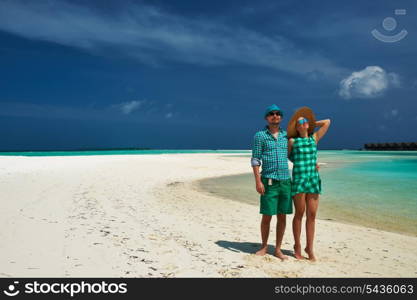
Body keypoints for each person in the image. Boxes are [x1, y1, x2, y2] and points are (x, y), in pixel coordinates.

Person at [287, 107, 331, 261]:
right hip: (299, 179)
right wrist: (302, 163)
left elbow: (327, 122)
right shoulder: (292, 141)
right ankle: (297, 245)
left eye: (305, 122)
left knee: (312, 215)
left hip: (313, 178)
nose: (304, 123)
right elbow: (289, 157)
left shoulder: (314, 138)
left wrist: (312, 123)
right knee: (299, 213)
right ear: (297, 128)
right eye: (301, 122)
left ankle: (309, 248)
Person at [251, 104, 292, 260]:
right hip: (268, 181)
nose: (275, 116)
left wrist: (311, 163)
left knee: (282, 216)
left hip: (286, 182)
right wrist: (257, 181)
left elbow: (293, 156)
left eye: (278, 114)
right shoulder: (260, 136)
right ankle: (264, 246)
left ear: (281, 117)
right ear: (266, 117)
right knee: (267, 215)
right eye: (271, 114)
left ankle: (278, 249)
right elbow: (255, 159)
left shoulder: (286, 136)